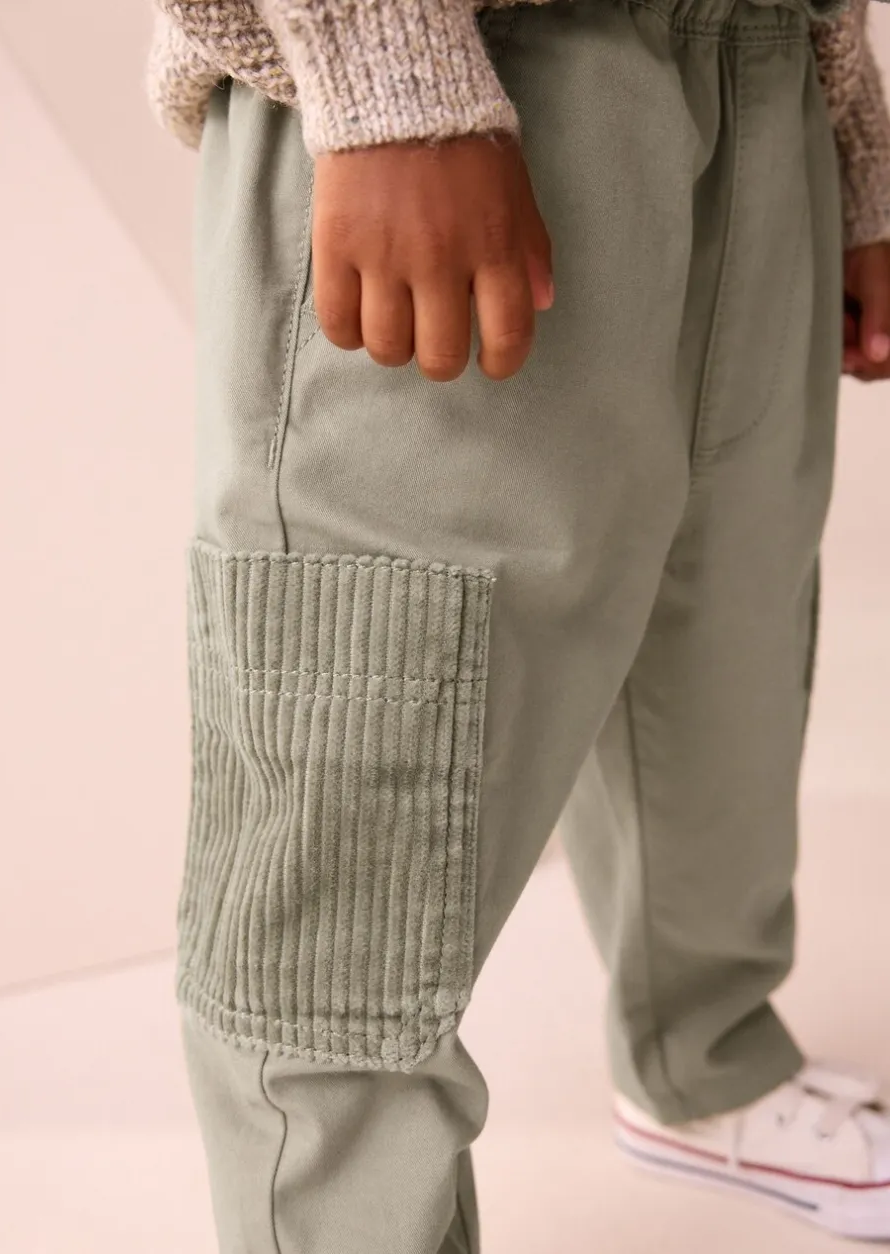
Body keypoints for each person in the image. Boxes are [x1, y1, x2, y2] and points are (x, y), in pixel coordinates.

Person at [147, 0, 890, 1249]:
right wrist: (390, 81)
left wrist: (850, 142)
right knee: (361, 791)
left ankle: (701, 1066)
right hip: (463, 86)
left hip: (761, 73)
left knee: (722, 649)